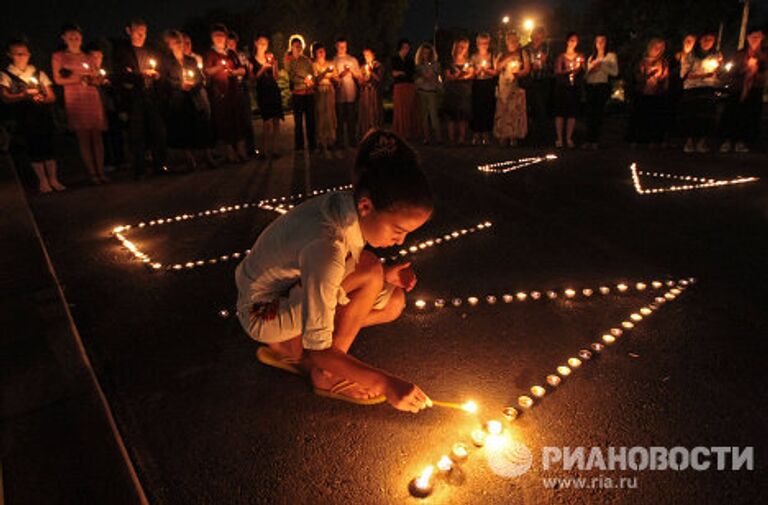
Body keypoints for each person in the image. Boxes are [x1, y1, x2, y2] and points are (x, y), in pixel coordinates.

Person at [235, 129, 433, 411]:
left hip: (297, 287)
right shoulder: (326, 246)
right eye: (398, 230)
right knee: (372, 271)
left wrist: (383, 276)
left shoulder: (345, 204)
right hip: (264, 310)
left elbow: (344, 265)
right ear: (366, 206)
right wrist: (386, 384)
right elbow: (321, 349)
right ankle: (326, 374)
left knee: (393, 302)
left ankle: (292, 343)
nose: (400, 241)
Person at [0, 40, 64, 193]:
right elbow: (5, 97)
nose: (23, 57)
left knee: (48, 147)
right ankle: (43, 181)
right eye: (18, 54)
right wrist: (23, 95)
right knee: (34, 148)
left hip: (43, 115)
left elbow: (51, 96)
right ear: (10, 55)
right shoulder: (6, 74)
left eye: (25, 53)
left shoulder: (38, 73)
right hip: (25, 117)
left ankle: (54, 179)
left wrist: (42, 98)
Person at [52, 24, 108, 184]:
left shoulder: (88, 57)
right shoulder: (59, 56)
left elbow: (96, 76)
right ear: (64, 38)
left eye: (77, 37)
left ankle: (101, 172)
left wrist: (97, 79)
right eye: (70, 37)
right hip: (75, 97)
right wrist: (78, 79)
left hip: (91, 96)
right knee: (83, 136)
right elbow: (58, 79)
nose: (74, 40)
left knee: (97, 136)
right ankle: (92, 174)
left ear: (81, 38)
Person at [113, 18, 167, 179]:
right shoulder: (122, 52)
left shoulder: (150, 50)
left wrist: (157, 76)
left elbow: (159, 69)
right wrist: (139, 76)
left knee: (159, 132)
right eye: (138, 32)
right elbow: (121, 75)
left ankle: (159, 165)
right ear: (129, 31)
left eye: (144, 33)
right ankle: (140, 170)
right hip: (134, 98)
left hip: (151, 96)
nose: (141, 36)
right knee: (137, 135)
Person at [161, 30, 210, 170]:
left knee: (197, 126)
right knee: (182, 129)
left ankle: (203, 156)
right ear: (169, 45)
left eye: (181, 42)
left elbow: (200, 78)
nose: (180, 45)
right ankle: (189, 158)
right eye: (176, 42)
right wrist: (179, 85)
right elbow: (164, 81)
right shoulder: (166, 62)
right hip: (177, 100)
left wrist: (193, 84)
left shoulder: (191, 60)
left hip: (193, 98)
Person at [205, 24, 249, 162]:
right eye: (216, 35)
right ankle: (230, 152)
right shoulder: (211, 54)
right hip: (220, 93)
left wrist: (234, 72)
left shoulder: (231, 53)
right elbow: (207, 71)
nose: (219, 38)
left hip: (234, 91)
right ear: (212, 37)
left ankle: (241, 150)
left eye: (221, 35)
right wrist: (219, 67)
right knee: (225, 121)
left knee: (237, 120)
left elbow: (242, 70)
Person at [719, 28, 767, 153]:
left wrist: (755, 72)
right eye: (753, 37)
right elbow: (732, 71)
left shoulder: (765, 55)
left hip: (754, 89)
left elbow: (765, 74)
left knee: (749, 116)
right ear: (748, 38)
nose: (755, 40)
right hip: (737, 88)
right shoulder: (740, 54)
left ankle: (742, 141)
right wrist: (744, 70)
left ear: (762, 38)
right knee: (732, 113)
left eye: (758, 37)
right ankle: (727, 140)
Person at [680, 30, 723, 153]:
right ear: (700, 40)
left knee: (706, 116)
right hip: (692, 88)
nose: (707, 42)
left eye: (710, 40)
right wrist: (703, 75)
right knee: (691, 115)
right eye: (705, 39)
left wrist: (719, 69)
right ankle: (689, 142)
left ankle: (702, 142)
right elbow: (684, 74)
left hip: (709, 88)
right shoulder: (690, 55)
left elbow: (719, 73)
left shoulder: (717, 55)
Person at [251, 34, 284, 160]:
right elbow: (253, 78)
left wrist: (274, 65)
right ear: (256, 43)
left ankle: (275, 148)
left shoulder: (270, 57)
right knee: (267, 122)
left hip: (273, 90)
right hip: (263, 91)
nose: (263, 46)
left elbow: (276, 77)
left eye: (265, 43)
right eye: (261, 43)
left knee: (276, 120)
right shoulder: (252, 60)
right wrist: (263, 68)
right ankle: (264, 150)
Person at [632, 38, 670, 148]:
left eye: (660, 48)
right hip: (642, 92)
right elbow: (637, 77)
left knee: (653, 118)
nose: (657, 50)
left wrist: (661, 78)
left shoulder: (663, 62)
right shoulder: (642, 61)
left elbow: (665, 78)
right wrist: (648, 75)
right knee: (640, 116)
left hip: (656, 93)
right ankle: (638, 140)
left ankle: (652, 140)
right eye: (655, 47)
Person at [494, 31, 529, 146]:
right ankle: (503, 135)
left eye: (515, 40)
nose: (513, 43)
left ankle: (514, 135)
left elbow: (527, 68)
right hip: (504, 84)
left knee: (514, 111)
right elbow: (497, 68)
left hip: (516, 84)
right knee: (503, 110)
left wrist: (518, 73)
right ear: (506, 41)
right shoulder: (502, 54)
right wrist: (507, 59)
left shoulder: (522, 53)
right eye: (510, 40)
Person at [583, 35, 618, 149]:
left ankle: (595, 140)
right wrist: (590, 70)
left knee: (598, 113)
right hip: (590, 86)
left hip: (601, 86)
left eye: (602, 41)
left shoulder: (610, 56)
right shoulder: (591, 57)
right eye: (598, 41)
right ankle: (588, 139)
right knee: (589, 114)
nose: (600, 43)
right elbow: (586, 75)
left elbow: (615, 72)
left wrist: (602, 65)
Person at [522, 26, 553, 146]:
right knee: (527, 110)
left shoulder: (547, 49)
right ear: (531, 36)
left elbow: (552, 66)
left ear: (543, 37)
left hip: (542, 82)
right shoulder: (525, 49)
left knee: (541, 109)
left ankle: (541, 138)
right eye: (535, 36)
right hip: (528, 82)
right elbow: (521, 65)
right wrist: (529, 66)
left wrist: (544, 63)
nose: (537, 39)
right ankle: (526, 135)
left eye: (540, 37)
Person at [553, 32, 585, 148]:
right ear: (567, 41)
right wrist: (569, 71)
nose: (573, 43)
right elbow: (557, 72)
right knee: (560, 112)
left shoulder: (580, 56)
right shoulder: (561, 57)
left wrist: (580, 67)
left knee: (572, 113)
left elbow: (583, 70)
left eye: (575, 41)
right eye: (571, 40)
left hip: (574, 87)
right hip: (562, 87)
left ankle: (569, 138)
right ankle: (559, 139)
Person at [285, 36, 316, 152]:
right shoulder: (289, 59)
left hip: (308, 93)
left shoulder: (306, 60)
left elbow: (312, 73)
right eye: (296, 46)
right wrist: (304, 79)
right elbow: (292, 75)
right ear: (291, 47)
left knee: (310, 120)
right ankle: (299, 146)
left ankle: (312, 144)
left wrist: (310, 80)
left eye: (300, 46)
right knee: (298, 121)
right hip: (297, 93)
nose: (298, 48)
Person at [227, 30, 255, 157]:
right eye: (229, 43)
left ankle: (251, 148)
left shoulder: (241, 55)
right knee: (233, 120)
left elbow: (246, 72)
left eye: (233, 43)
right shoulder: (225, 56)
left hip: (242, 87)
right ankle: (235, 149)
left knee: (247, 119)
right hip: (230, 89)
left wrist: (246, 70)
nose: (231, 45)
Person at [666, 34, 697, 146]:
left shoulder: (695, 58)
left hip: (689, 87)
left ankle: (682, 136)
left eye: (692, 41)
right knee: (672, 110)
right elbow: (670, 73)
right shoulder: (676, 56)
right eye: (687, 40)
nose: (689, 43)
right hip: (675, 87)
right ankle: (669, 135)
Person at [443, 37, 473, 145]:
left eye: (464, 47)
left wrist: (459, 77)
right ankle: (451, 139)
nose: (462, 49)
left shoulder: (468, 62)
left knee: (462, 116)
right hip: (451, 91)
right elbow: (448, 76)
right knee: (451, 116)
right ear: (455, 47)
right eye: (460, 47)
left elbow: (470, 75)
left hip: (464, 91)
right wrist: (457, 76)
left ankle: (461, 139)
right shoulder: (449, 61)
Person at [332, 37, 361, 149]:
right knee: (339, 120)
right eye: (340, 46)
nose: (342, 48)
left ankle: (352, 141)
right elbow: (333, 78)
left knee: (351, 120)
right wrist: (342, 74)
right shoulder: (334, 60)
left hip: (351, 94)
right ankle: (340, 142)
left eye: (344, 46)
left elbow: (358, 76)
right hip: (339, 95)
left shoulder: (353, 60)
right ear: (336, 46)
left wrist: (352, 72)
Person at [470, 33, 497, 145]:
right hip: (477, 84)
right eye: (481, 43)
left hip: (488, 84)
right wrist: (477, 71)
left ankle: (486, 133)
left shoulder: (492, 56)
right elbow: (471, 73)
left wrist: (486, 70)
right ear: (477, 44)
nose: (483, 45)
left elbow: (496, 71)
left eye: (485, 43)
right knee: (477, 108)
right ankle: (476, 133)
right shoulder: (474, 57)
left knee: (488, 108)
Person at [311, 43, 338, 158]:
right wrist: (325, 73)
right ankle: (321, 142)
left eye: (323, 51)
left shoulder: (330, 64)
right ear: (315, 53)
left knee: (330, 115)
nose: (322, 54)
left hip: (329, 91)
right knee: (321, 115)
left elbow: (336, 78)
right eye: (319, 52)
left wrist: (334, 78)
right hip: (320, 92)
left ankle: (331, 140)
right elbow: (315, 79)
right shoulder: (313, 65)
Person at [413, 42, 442, 144]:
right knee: (424, 116)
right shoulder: (418, 66)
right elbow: (417, 78)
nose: (426, 55)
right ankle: (427, 138)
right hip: (422, 91)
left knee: (434, 116)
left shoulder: (435, 65)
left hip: (432, 91)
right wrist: (421, 79)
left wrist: (431, 76)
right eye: (424, 53)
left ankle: (438, 138)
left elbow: (436, 77)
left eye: (428, 53)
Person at [391, 39, 419, 140]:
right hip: (399, 86)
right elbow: (393, 73)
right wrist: (400, 73)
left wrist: (401, 73)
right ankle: (400, 131)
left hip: (409, 85)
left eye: (407, 48)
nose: (406, 50)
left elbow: (412, 72)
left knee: (409, 108)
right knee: (400, 108)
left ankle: (409, 131)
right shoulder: (395, 59)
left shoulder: (410, 60)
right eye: (404, 47)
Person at [357, 47, 383, 138]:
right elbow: (360, 81)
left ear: (373, 55)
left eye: (368, 55)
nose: (366, 57)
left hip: (374, 92)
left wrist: (371, 72)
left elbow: (379, 79)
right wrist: (362, 80)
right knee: (366, 111)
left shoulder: (377, 65)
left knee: (374, 110)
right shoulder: (363, 67)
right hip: (365, 93)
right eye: (365, 55)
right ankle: (366, 132)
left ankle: (376, 131)